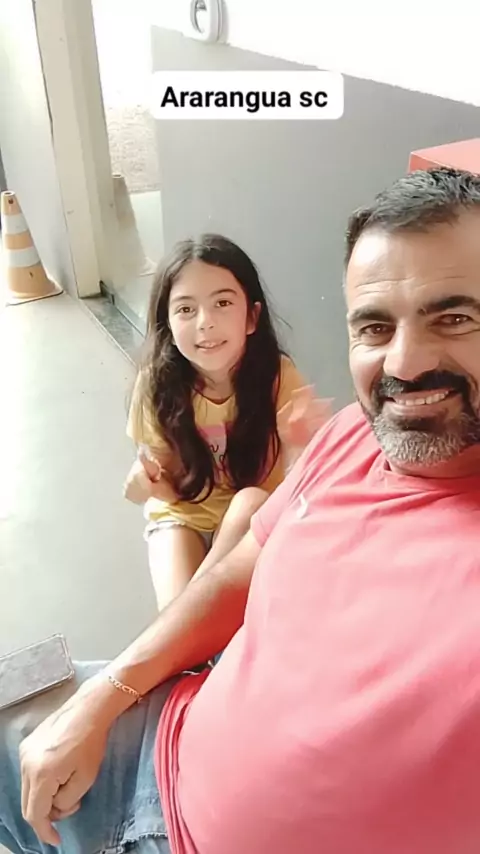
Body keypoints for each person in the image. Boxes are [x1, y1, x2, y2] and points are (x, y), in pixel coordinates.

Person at [2, 166, 480, 854]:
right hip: (160, 738)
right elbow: (238, 572)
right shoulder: (354, 431)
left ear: (252, 316)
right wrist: (104, 693)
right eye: (375, 327)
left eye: (455, 317)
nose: (403, 363)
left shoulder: (278, 382)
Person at [122, 233, 330, 609]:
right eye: (186, 309)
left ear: (251, 317)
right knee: (182, 614)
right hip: (184, 515)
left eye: (222, 303)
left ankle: (187, 621)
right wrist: (148, 484)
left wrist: (298, 446)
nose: (205, 322)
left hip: (251, 522)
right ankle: (189, 620)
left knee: (248, 503)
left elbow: (296, 491)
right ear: (168, 324)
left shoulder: (278, 377)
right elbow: (173, 491)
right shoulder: (155, 386)